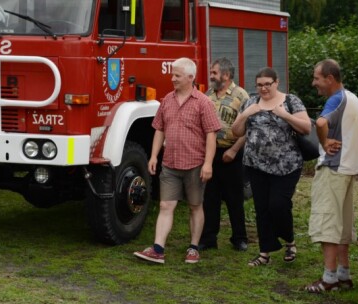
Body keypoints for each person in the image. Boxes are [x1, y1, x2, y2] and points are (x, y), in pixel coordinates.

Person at [133, 57, 220, 264]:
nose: (172, 79)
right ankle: (157, 249)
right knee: (165, 205)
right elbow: (159, 130)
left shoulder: (204, 103)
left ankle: (193, 247)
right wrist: (154, 156)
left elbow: (211, 135)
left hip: (195, 164)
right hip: (170, 164)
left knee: (195, 206)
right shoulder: (167, 101)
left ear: (191, 77)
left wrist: (208, 164)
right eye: (172, 74)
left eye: (177, 76)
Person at [231, 67, 312, 267]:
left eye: (268, 84)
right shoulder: (250, 102)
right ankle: (264, 253)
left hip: (286, 165)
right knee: (262, 209)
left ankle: (289, 240)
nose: (264, 88)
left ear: (276, 83)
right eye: (260, 85)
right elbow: (236, 132)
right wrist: (244, 115)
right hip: (256, 165)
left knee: (278, 205)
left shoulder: (291, 101)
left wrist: (284, 115)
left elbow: (306, 127)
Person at [304, 59, 358, 293]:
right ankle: (344, 274)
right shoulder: (353, 98)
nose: (314, 83)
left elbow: (320, 122)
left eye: (317, 78)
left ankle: (328, 279)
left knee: (327, 223)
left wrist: (324, 141)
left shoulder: (336, 99)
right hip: (349, 168)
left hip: (333, 168)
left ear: (330, 78)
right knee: (342, 225)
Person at [199, 57, 249, 252]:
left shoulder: (241, 95)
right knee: (210, 198)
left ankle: (239, 238)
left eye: (214, 72)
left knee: (234, 198)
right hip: (211, 153)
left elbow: (248, 128)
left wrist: (234, 150)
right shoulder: (207, 95)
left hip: (232, 153)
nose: (211, 76)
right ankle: (209, 238)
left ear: (226, 75)